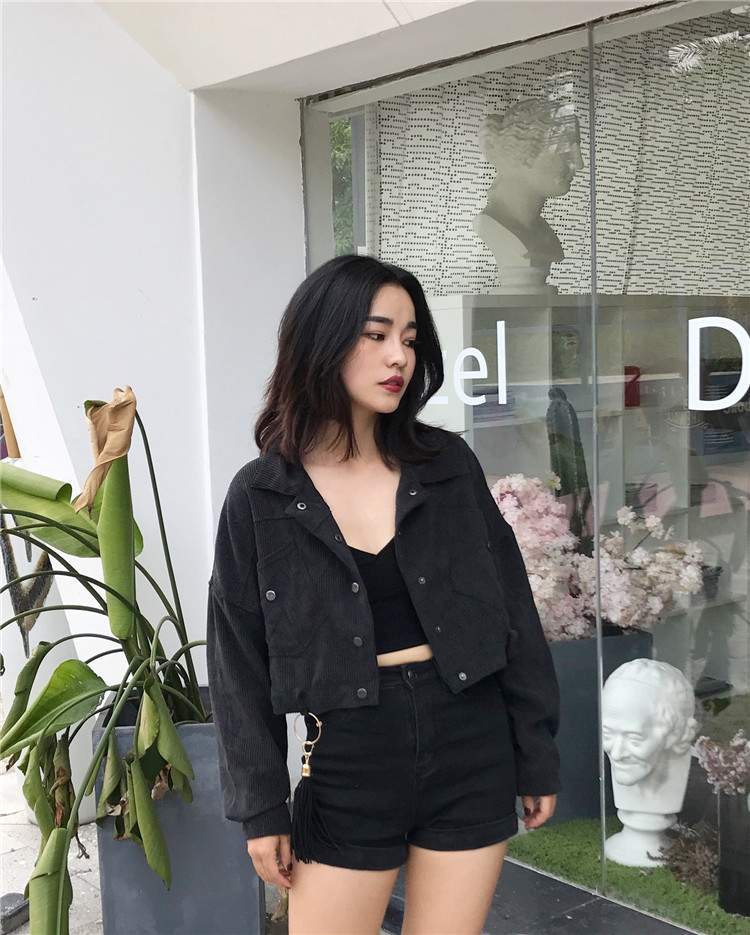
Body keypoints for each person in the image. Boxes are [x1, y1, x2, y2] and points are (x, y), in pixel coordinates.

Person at [207, 254, 561, 935]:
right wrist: (260, 806)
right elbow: (236, 661)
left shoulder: (447, 465)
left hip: (470, 741)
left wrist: (536, 752)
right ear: (322, 340)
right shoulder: (262, 495)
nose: (399, 355)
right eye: (376, 334)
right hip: (349, 758)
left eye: (409, 337)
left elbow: (512, 610)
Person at [473, 98, 583, 289]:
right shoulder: (492, 225)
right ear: (524, 152)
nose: (579, 164)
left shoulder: (542, 234)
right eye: (565, 150)